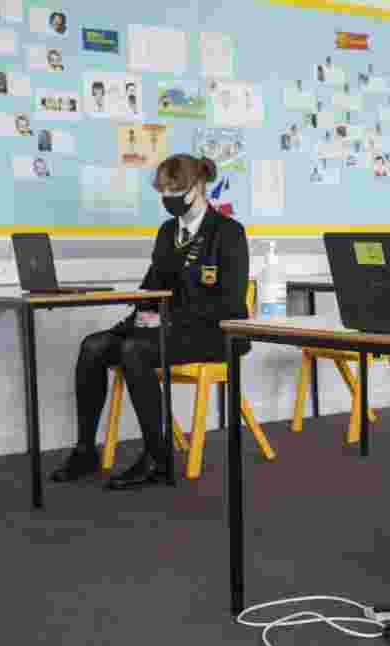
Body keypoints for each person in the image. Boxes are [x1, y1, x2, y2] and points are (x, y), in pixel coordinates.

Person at [50, 154, 250, 490]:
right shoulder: (167, 231)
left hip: (215, 333)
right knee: (94, 346)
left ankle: (158, 458)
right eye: (164, 191)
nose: (170, 198)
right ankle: (85, 451)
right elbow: (152, 286)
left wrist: (166, 321)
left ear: (199, 186)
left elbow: (229, 303)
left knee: (134, 351)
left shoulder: (228, 232)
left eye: (177, 190)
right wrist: (139, 312)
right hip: (167, 329)